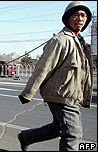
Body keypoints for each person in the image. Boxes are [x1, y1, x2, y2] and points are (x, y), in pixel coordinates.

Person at [17, 1, 93, 151]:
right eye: (76, 14)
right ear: (67, 18)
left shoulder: (80, 41)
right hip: (61, 94)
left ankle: (26, 137)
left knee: (58, 127)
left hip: (72, 94)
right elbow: (43, 67)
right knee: (73, 134)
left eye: (83, 15)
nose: (80, 18)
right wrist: (28, 93)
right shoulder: (61, 40)